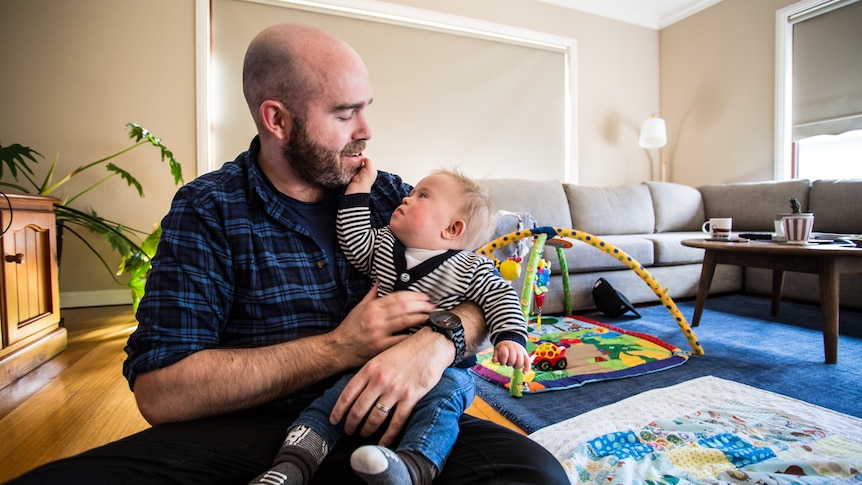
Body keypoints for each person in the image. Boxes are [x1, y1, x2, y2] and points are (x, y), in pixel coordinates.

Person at [6, 23, 568, 485]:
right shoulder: (208, 209)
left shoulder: (392, 196)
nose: (367, 131)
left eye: (366, 109)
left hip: (402, 422)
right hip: (260, 429)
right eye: (345, 114)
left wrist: (435, 343)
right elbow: (160, 391)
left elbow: (476, 284)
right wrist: (338, 347)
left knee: (535, 474)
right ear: (276, 119)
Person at [251, 160, 530, 485]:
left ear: (452, 229)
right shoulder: (385, 245)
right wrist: (359, 188)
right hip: (375, 366)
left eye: (422, 196)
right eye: (411, 192)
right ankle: (291, 466)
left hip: (444, 373)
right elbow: (354, 240)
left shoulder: (470, 266)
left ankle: (412, 468)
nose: (407, 198)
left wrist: (510, 336)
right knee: (334, 401)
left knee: (446, 404)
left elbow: (500, 296)